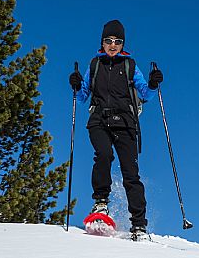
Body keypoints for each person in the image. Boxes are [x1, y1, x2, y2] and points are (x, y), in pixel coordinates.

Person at [68, 19, 163, 240]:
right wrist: (75, 84)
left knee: (131, 173)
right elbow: (82, 97)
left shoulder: (130, 66)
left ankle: (138, 224)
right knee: (104, 155)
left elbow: (146, 94)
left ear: (122, 44)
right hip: (99, 120)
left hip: (126, 123)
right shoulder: (95, 64)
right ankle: (100, 205)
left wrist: (153, 84)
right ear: (102, 42)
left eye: (117, 41)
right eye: (108, 41)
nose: (113, 45)